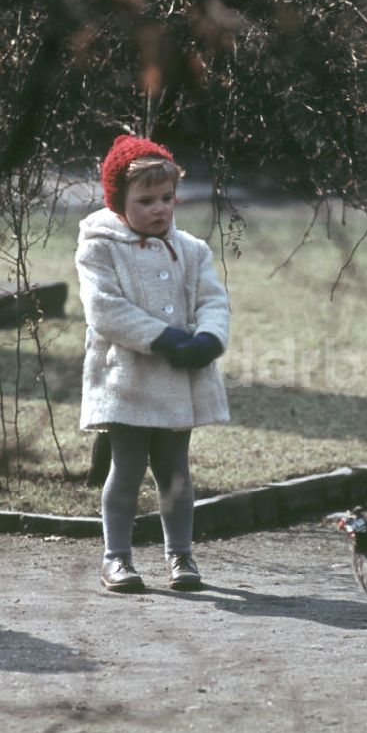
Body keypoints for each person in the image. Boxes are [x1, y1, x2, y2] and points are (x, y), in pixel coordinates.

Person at [75, 134, 230, 593]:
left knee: (175, 471)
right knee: (126, 468)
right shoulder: (99, 247)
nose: (160, 209)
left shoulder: (192, 250)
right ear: (118, 201)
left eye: (167, 198)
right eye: (145, 200)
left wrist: (208, 337)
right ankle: (116, 557)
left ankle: (180, 554)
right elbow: (104, 308)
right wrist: (162, 337)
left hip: (180, 380)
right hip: (127, 380)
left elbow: (213, 300)